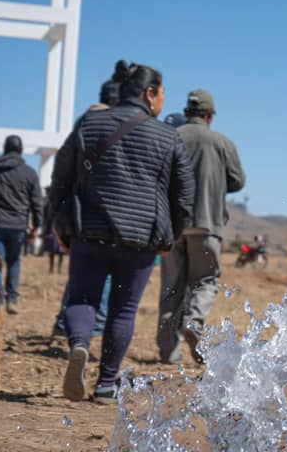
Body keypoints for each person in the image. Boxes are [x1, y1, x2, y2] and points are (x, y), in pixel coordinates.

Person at [49, 60, 194, 403]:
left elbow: (60, 178)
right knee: (123, 311)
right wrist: (170, 236)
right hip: (141, 240)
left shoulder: (89, 123)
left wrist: (61, 225)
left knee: (82, 299)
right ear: (149, 93)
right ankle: (105, 385)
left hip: (89, 232)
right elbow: (185, 197)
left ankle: (80, 345)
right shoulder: (168, 136)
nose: (163, 101)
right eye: (162, 94)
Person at [157, 89, 245, 365]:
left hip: (174, 226)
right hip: (208, 224)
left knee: (172, 286)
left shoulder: (171, 138)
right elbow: (238, 180)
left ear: (187, 113)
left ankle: (168, 352)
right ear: (209, 116)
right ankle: (193, 322)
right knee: (205, 280)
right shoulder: (222, 142)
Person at [49, 76, 121, 346]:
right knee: (105, 274)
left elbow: (63, 168)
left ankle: (64, 322)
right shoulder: (113, 124)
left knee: (80, 275)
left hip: (79, 209)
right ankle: (91, 330)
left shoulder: (84, 120)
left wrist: (59, 213)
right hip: (104, 211)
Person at [0, 136, 43, 314]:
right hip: (18, 225)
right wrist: (37, 225)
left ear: (4, 148)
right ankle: (12, 299)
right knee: (14, 262)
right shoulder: (29, 173)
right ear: (21, 150)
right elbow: (37, 202)